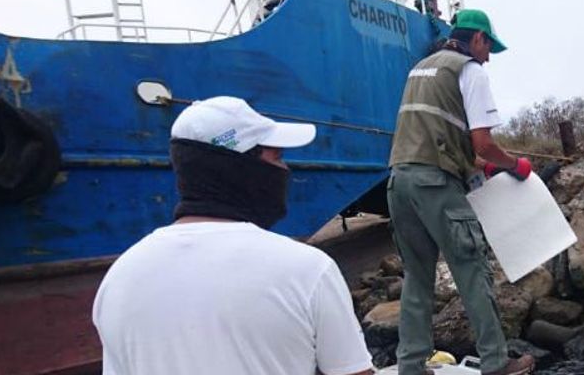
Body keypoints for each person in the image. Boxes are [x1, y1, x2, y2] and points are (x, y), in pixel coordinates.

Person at [92, 96, 374, 375]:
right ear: (242, 169)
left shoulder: (119, 278)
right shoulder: (307, 270)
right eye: (277, 157)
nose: (285, 169)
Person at [387, 9, 536, 375]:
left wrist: (482, 166)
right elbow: (483, 143)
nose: (488, 57)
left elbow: (441, 136)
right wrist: (511, 165)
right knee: (472, 271)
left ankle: (410, 366)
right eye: (488, 48)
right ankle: (496, 362)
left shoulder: (421, 69)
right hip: (436, 185)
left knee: (417, 277)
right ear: (478, 39)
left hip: (398, 182)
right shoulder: (470, 70)